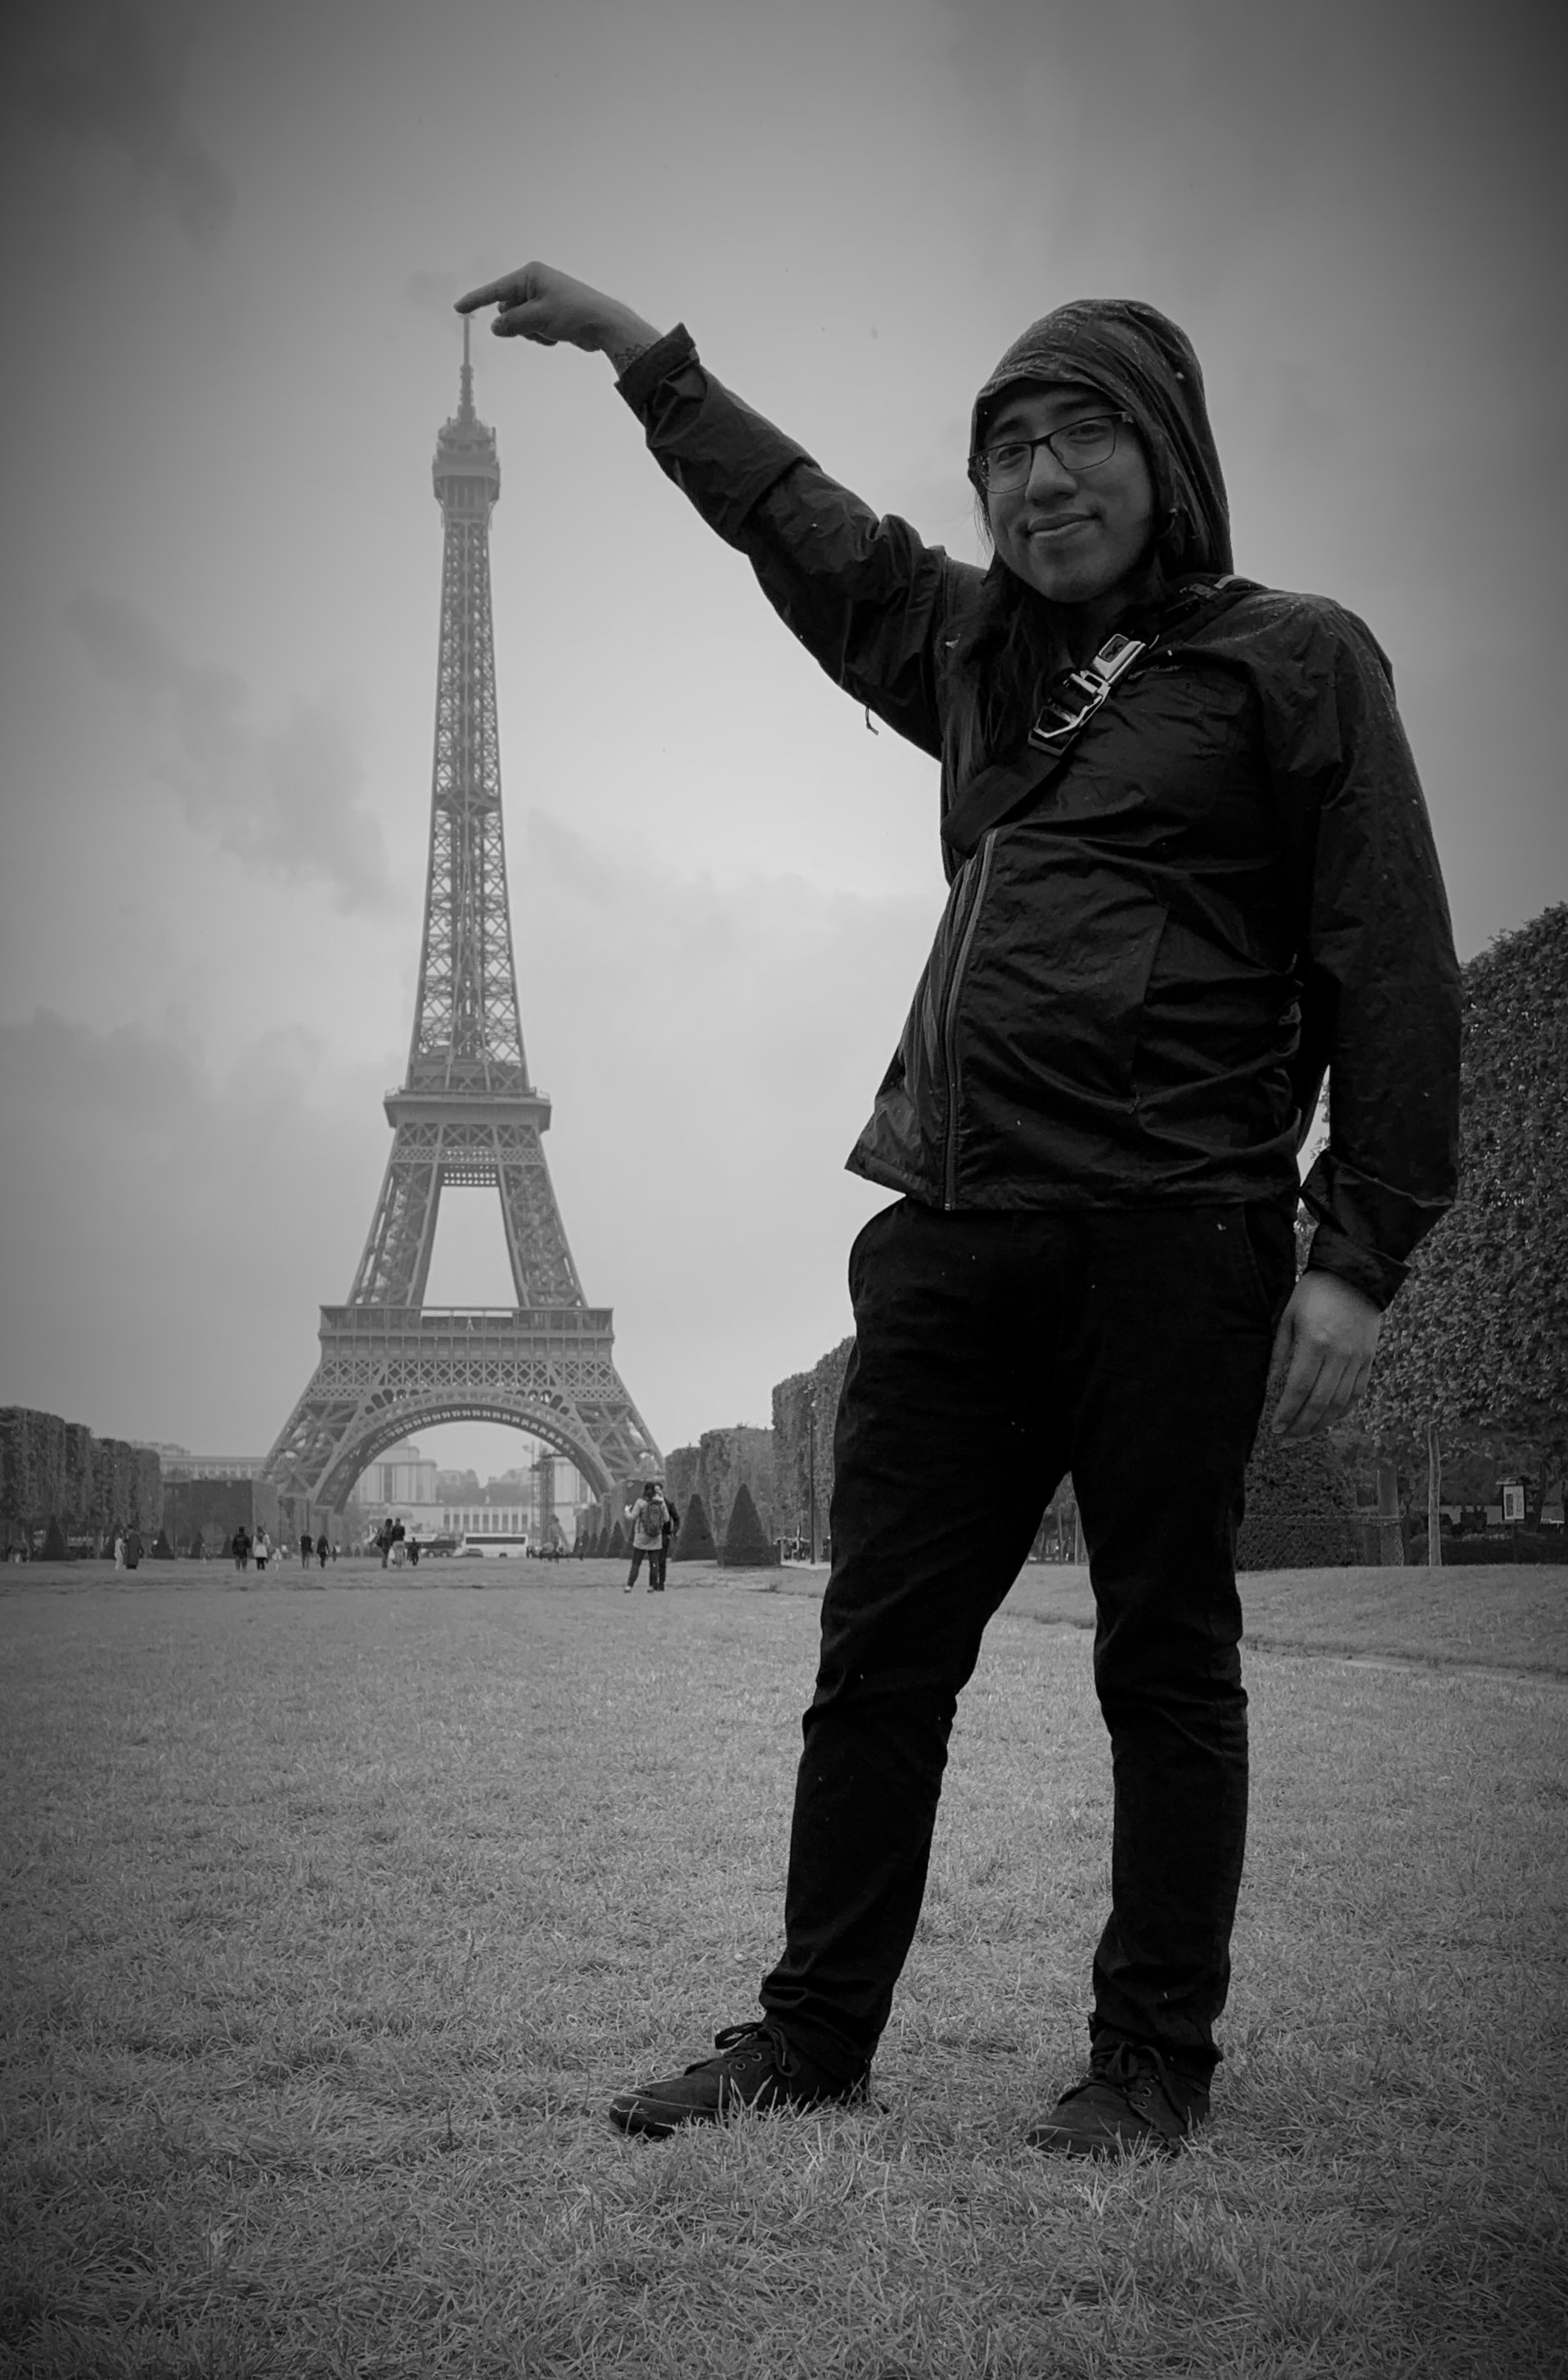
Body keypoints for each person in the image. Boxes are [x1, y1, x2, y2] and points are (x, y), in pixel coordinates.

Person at [456, 263, 1460, 2158]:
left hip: (1171, 1227)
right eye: (1003, 445)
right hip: (951, 1222)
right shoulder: (977, 654)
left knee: (1157, 1653)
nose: (1037, 476)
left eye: (1077, 432)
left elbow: (1389, 961)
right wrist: (645, 359)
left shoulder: (1293, 656)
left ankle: (1147, 2055)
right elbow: (810, 528)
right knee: (875, 1657)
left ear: (1161, 455)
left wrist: (1354, 1246)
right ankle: (812, 2030)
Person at [623, 1482, 670, 1592]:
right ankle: (651, 1586)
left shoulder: (640, 1503)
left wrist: (626, 1511)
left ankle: (629, 1586)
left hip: (641, 1538)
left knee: (636, 1564)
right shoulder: (661, 1503)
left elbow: (632, 1517)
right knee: (654, 1564)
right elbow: (667, 1519)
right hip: (655, 1538)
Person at [656, 1489, 681, 1592]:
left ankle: (661, 1583)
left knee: (661, 1560)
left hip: (664, 1535)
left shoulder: (669, 1504)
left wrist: (673, 1533)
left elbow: (677, 1519)